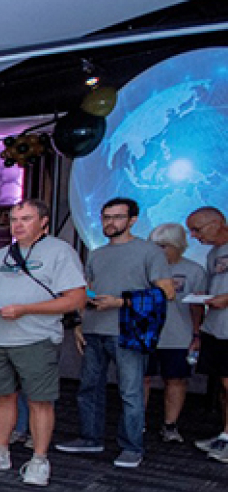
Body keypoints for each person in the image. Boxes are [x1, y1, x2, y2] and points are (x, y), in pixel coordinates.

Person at [0, 200, 87, 486]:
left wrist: (27, 309)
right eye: (14, 219)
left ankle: (39, 460)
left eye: (26, 219)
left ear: (43, 222)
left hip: (36, 338)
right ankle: (0, 451)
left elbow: (76, 299)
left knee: (40, 401)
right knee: (3, 397)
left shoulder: (59, 252)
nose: (18, 225)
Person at [56, 198, 173, 468]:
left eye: (117, 217)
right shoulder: (97, 253)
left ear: (133, 220)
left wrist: (121, 302)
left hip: (128, 329)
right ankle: (90, 437)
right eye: (106, 217)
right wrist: (80, 324)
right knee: (88, 388)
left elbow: (166, 292)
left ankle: (132, 446)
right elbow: (86, 290)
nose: (110, 222)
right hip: (95, 327)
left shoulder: (149, 251)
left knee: (130, 392)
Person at [143, 223, 206, 444]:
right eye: (154, 245)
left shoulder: (194, 270)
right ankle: (136, 423)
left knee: (176, 380)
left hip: (179, 335)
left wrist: (196, 335)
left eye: (163, 246)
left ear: (177, 245)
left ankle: (170, 425)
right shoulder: (145, 267)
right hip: (146, 334)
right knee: (142, 378)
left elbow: (197, 307)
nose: (158, 251)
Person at [187, 207, 228, 462]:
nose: (193, 236)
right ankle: (225, 435)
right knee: (222, 385)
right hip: (215, 328)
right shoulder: (214, 254)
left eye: (197, 229)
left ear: (216, 223)